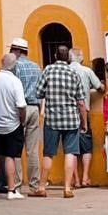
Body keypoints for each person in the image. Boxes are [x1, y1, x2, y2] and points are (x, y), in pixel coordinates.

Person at [38, 44, 89, 197]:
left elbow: (38, 92)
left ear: (55, 56)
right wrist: (84, 122)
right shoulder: (73, 74)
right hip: (71, 120)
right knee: (70, 153)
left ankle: (41, 187)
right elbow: (81, 101)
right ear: (67, 57)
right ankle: (67, 188)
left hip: (52, 119)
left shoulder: (48, 70)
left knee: (48, 153)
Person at [0, 53, 28, 198]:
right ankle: (11, 190)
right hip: (12, 124)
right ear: (14, 66)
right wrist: (22, 119)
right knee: (10, 156)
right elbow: (21, 105)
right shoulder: (15, 81)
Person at [10, 38, 44, 194]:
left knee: (16, 148)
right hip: (34, 108)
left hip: (19, 109)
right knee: (33, 149)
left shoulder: (15, 66)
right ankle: (34, 185)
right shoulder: (36, 67)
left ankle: (16, 184)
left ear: (16, 51)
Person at [71, 54, 102, 189]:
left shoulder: (65, 70)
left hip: (68, 114)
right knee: (86, 146)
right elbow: (100, 87)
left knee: (70, 148)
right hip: (84, 111)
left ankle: (76, 180)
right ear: (81, 59)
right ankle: (85, 178)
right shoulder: (86, 71)